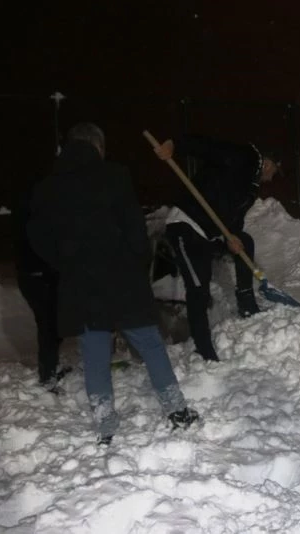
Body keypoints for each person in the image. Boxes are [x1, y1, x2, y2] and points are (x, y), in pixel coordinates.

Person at [28, 123, 198, 445]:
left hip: (81, 283)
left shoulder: (47, 187)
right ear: (98, 147)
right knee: (149, 344)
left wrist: (66, 262)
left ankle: (106, 427)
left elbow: (38, 238)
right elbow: (135, 228)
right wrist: (137, 262)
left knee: (94, 353)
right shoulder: (115, 176)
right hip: (122, 278)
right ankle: (177, 411)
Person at [153, 135, 280, 362]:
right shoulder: (244, 157)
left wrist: (231, 236)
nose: (270, 179)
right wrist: (176, 144)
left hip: (211, 233)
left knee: (245, 241)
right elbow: (207, 147)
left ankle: (247, 302)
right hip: (187, 224)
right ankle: (204, 351)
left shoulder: (250, 187)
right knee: (198, 288)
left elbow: (234, 218)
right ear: (268, 164)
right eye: (273, 172)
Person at [11, 175, 66, 393]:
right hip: (37, 277)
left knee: (51, 325)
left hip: (34, 276)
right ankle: (48, 376)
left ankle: (50, 370)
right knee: (49, 326)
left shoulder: (28, 214)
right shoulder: (35, 218)